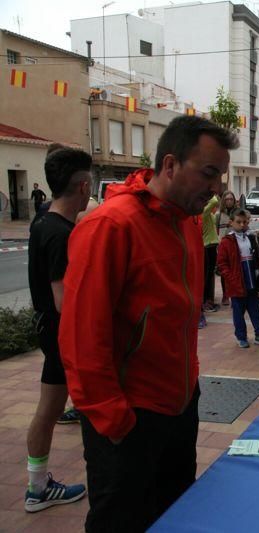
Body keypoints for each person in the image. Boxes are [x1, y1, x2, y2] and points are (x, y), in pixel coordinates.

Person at [59, 115, 238, 531]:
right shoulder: (110, 226)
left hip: (179, 405)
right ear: (171, 165)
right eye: (209, 173)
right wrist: (114, 421)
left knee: (176, 516)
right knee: (122, 521)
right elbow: (82, 339)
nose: (217, 188)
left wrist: (188, 392)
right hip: (129, 418)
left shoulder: (189, 223)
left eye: (221, 176)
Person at [24, 148, 90, 513]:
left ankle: (37, 486)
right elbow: (66, 300)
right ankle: (36, 489)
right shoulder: (62, 235)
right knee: (57, 408)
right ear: (83, 186)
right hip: (63, 334)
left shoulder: (41, 221)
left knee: (48, 408)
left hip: (48, 329)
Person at [217, 208, 259, 349]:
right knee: (238, 311)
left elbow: (255, 257)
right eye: (239, 222)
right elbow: (222, 264)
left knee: (256, 309)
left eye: (245, 222)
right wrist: (231, 279)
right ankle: (241, 336)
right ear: (231, 222)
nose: (242, 225)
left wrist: (258, 274)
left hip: (251, 280)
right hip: (237, 283)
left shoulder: (250, 237)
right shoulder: (226, 241)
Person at [217, 190, 238, 306]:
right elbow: (217, 230)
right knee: (224, 271)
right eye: (227, 199)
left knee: (235, 270)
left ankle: (234, 293)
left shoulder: (237, 213)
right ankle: (225, 295)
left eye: (231, 199)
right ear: (223, 201)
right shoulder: (219, 214)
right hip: (223, 246)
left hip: (235, 245)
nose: (229, 201)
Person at [201, 195, 221, 318]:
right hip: (207, 246)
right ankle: (205, 302)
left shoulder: (209, 214)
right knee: (206, 276)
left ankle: (209, 300)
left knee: (210, 275)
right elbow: (214, 200)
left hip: (212, 245)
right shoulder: (203, 212)